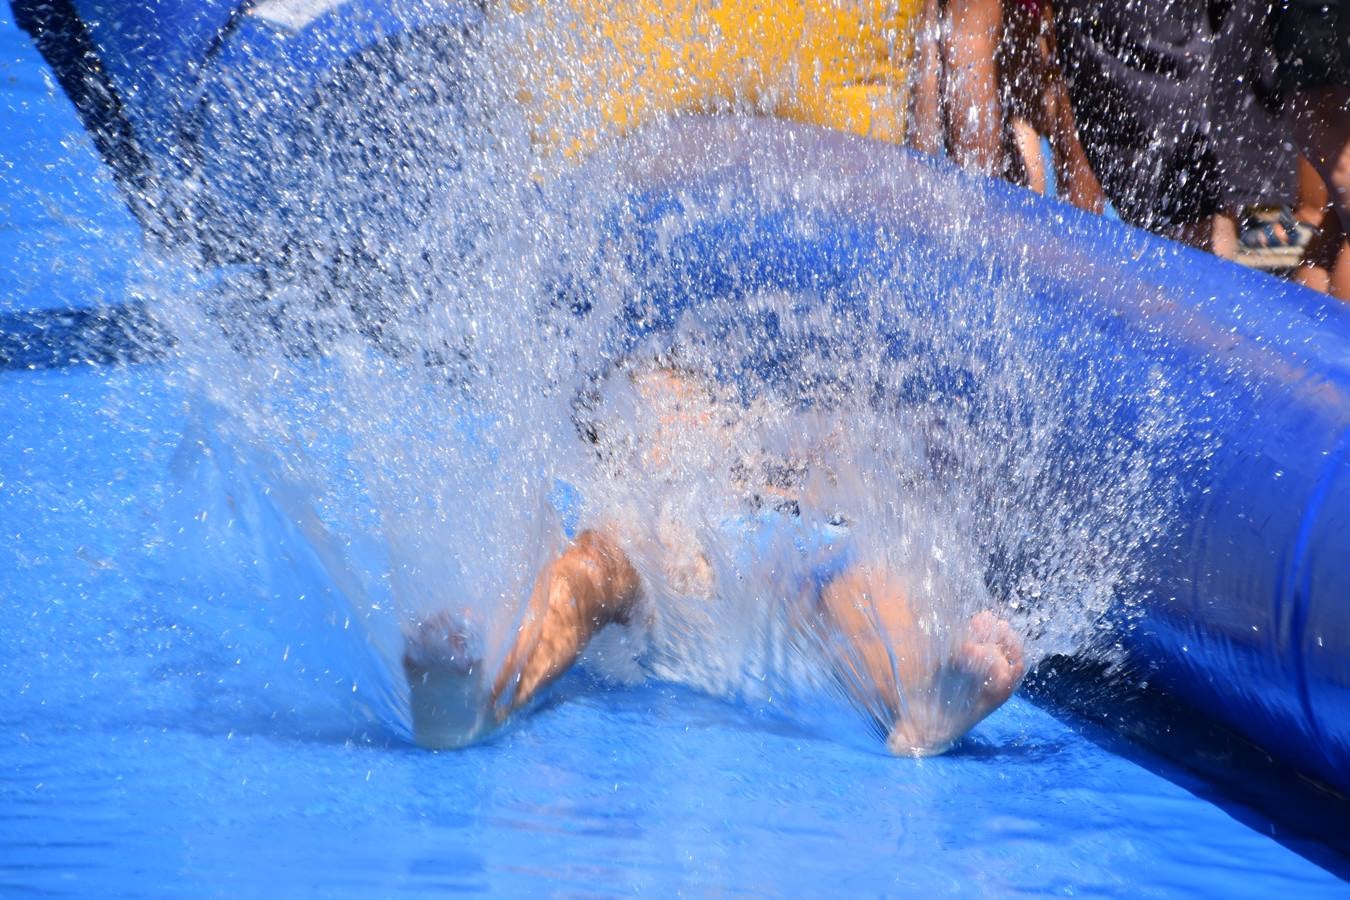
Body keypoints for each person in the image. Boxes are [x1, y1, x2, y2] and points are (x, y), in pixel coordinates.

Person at [402, 364, 1026, 755]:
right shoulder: (630, 513)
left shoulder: (764, 479)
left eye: (694, 399)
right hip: (673, 595)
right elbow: (601, 558)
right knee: (592, 565)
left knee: (857, 576)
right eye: (657, 408)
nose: (687, 417)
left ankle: (921, 702)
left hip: (783, 601)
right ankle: (481, 696)